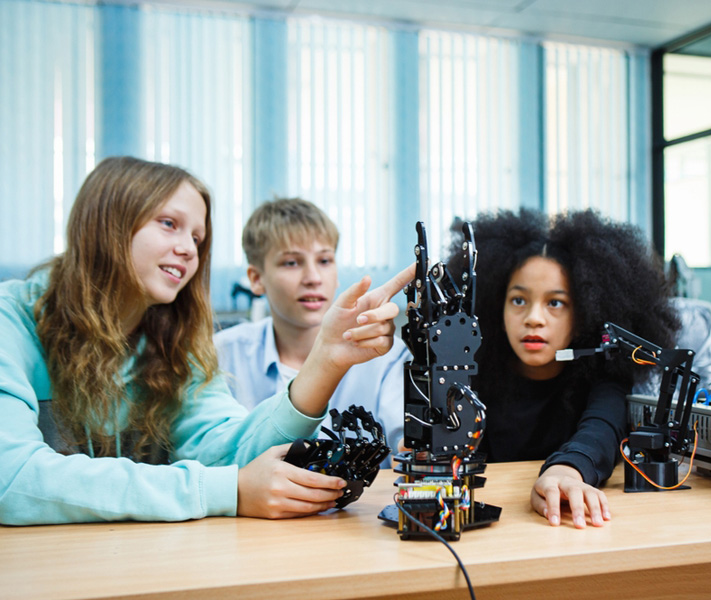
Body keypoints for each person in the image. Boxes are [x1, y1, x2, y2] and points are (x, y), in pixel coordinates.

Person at [0, 156, 413, 525]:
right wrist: (222, 491)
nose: (187, 250)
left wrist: (327, 359)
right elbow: (11, 475)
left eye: (197, 238)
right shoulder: (10, 320)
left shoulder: (173, 343)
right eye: (169, 224)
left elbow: (230, 452)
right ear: (106, 223)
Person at [447, 209, 678, 529]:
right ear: (495, 304)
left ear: (584, 311)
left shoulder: (604, 370)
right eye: (518, 300)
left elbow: (603, 428)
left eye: (555, 303)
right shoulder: (471, 372)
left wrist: (566, 471)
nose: (534, 318)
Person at [214, 198, 408, 463]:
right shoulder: (221, 355)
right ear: (256, 279)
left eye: (325, 260)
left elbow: (405, 445)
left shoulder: (386, 354)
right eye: (292, 263)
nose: (313, 277)